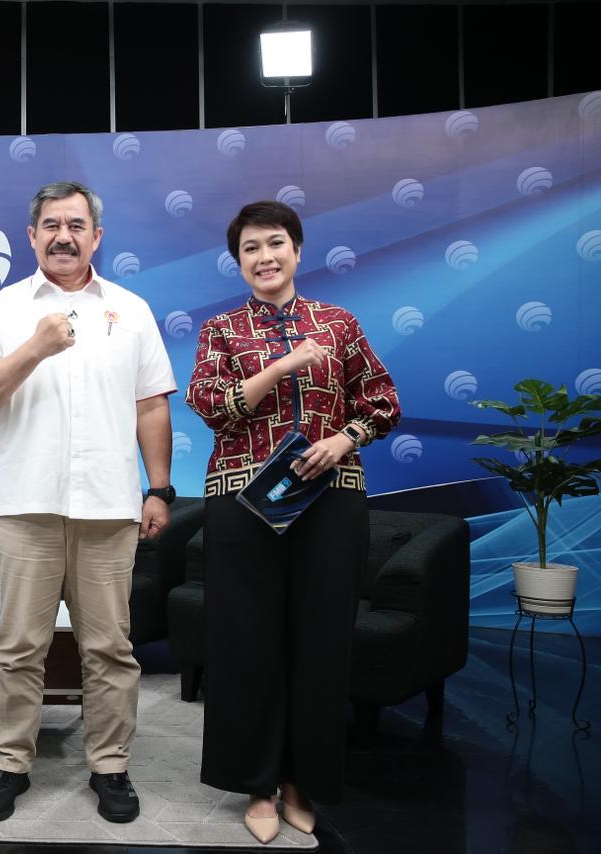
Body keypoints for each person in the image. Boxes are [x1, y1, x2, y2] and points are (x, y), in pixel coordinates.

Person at [0, 180, 177, 824]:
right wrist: (35, 347)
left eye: (76, 225)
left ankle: (110, 766)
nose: (63, 236)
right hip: (24, 505)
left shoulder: (131, 309)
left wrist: (159, 487)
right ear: (31, 237)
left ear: (96, 237)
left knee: (109, 648)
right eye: (51, 225)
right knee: (18, 648)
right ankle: (9, 763)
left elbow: (151, 404)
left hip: (108, 507)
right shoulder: (1, 309)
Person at [185, 200, 401, 844]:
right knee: (246, 641)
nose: (265, 257)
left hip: (331, 498)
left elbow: (382, 399)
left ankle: (303, 782)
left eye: (275, 243)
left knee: (321, 641)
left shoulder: (339, 323)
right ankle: (257, 784)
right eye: (250, 248)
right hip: (243, 500)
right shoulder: (221, 330)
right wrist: (280, 367)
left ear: (298, 251)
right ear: (238, 261)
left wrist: (344, 439)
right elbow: (210, 405)